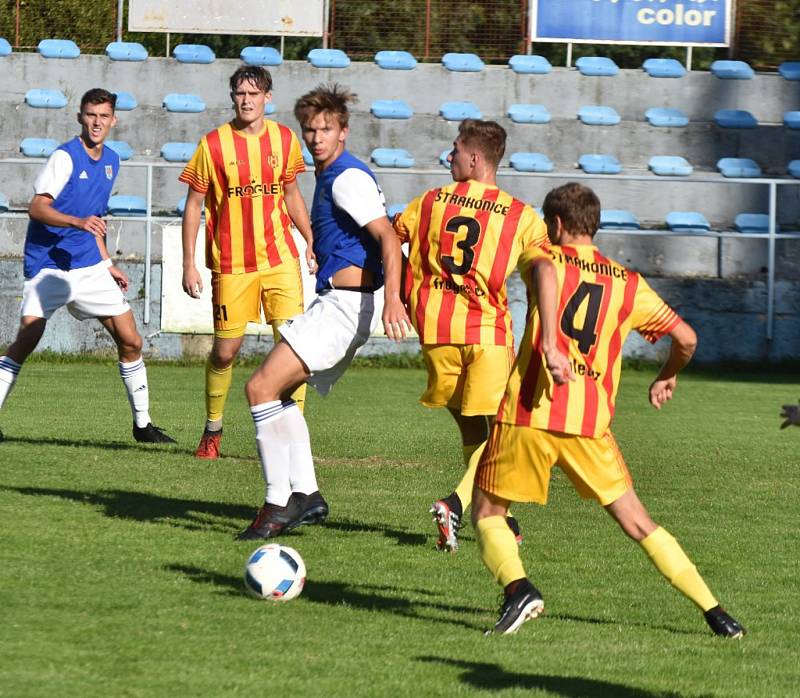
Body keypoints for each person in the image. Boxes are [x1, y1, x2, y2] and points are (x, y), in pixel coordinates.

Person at [472, 182, 745, 639]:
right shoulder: (627, 283)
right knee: (638, 522)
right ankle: (716, 612)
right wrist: (666, 374)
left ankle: (518, 588)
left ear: (556, 224)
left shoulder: (544, 254)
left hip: (530, 413)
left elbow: (543, 271)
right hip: (589, 424)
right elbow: (687, 339)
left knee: (487, 511)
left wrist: (551, 343)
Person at [237, 83, 411, 540]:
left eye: (326, 129)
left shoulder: (346, 177)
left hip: (345, 307)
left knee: (259, 388)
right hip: (338, 301)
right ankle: (308, 494)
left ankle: (278, 503)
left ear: (343, 133)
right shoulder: (332, 174)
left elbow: (389, 238)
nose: (316, 138)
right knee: (279, 394)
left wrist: (395, 297)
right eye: (310, 129)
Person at [394, 119, 548, 551]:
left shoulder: (428, 202)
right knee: (501, 432)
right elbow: (544, 274)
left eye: (456, 149)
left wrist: (398, 294)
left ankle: (506, 519)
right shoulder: (521, 215)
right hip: (486, 334)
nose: (450, 156)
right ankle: (457, 504)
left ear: (475, 158)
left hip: (436, 332)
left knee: (472, 427)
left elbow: (391, 237)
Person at [0, 89, 175, 444]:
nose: (97, 122)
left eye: (103, 116)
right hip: (49, 266)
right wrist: (76, 222)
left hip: (89, 266)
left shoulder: (112, 160)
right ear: (80, 117)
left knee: (131, 340)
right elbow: (36, 208)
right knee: (27, 339)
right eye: (90, 115)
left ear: (114, 120)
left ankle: (143, 426)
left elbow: (95, 219)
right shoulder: (64, 158)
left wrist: (107, 262)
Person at [180, 65, 314, 460]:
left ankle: (293, 437)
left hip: (280, 260)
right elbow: (193, 208)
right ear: (232, 97)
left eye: (254, 94)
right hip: (232, 265)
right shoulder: (213, 145)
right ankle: (212, 430)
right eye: (240, 93)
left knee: (294, 348)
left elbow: (291, 194)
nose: (246, 100)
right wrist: (189, 263)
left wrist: (310, 239)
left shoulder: (285, 139)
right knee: (225, 352)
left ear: (267, 97)